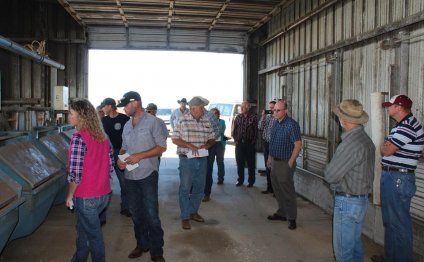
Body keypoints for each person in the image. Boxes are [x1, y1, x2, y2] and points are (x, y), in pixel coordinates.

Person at [116, 91, 167, 262]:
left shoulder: (154, 122)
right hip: (130, 176)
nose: (124, 108)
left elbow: (161, 147)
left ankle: (157, 251)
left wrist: (140, 156)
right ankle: (141, 244)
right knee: (136, 214)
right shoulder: (127, 125)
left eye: (126, 105)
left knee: (152, 214)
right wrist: (121, 159)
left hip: (147, 175)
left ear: (136, 103)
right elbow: (123, 147)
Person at [324, 99, 375, 261]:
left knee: (343, 253)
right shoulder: (366, 139)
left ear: (343, 120)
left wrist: (334, 180)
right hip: (360, 200)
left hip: (347, 202)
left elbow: (330, 175)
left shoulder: (350, 144)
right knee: (354, 247)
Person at [65, 98, 114, 262]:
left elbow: (75, 174)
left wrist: (70, 195)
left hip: (87, 197)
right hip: (103, 194)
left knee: (94, 237)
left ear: (81, 117)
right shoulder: (103, 137)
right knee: (84, 230)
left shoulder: (79, 138)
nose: (68, 117)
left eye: (71, 114)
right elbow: (111, 166)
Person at [380, 95, 424, 262]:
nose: (388, 108)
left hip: (397, 178)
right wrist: (388, 144)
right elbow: (387, 147)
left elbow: (386, 150)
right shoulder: (402, 126)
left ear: (398, 107)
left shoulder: (407, 127)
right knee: (391, 224)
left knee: (398, 225)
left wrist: (387, 145)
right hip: (395, 176)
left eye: (390, 105)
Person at [171, 96, 215, 230]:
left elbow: (212, 138)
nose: (203, 110)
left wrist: (207, 145)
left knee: (199, 188)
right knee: (185, 188)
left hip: (202, 159)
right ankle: (185, 216)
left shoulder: (206, 120)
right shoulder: (183, 120)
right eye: (202, 108)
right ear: (194, 108)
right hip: (187, 160)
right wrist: (190, 145)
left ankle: (193, 212)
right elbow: (174, 139)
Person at [266, 100, 302, 230]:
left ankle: (292, 218)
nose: (275, 113)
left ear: (285, 111)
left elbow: (298, 145)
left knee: (287, 192)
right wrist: (270, 158)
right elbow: (272, 142)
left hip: (285, 164)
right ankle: (282, 213)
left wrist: (290, 163)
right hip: (275, 162)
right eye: (274, 110)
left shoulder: (291, 125)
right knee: (277, 190)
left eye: (278, 110)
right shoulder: (275, 123)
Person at [100, 97, 131, 217]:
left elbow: (130, 136)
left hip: (122, 152)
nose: (103, 108)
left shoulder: (124, 119)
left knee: (124, 181)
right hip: (107, 153)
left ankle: (126, 206)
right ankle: (101, 209)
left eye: (104, 106)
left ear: (110, 106)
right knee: (103, 181)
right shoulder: (103, 121)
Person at [232, 100, 258, 187]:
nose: (242, 108)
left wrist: (253, 142)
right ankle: (240, 180)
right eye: (241, 106)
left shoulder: (253, 117)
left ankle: (251, 181)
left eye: (244, 106)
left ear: (248, 108)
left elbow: (255, 131)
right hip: (239, 143)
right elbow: (234, 129)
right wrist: (235, 140)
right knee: (240, 163)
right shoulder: (238, 117)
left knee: (251, 163)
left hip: (249, 144)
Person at [203, 104, 222, 202]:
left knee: (207, 170)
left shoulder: (210, 116)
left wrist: (209, 143)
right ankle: (195, 191)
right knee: (195, 169)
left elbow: (218, 130)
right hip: (196, 147)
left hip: (209, 147)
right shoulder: (190, 115)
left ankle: (206, 193)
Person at [258, 100, 277, 194]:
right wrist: (263, 116)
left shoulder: (278, 118)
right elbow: (260, 127)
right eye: (270, 108)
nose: (271, 110)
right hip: (266, 143)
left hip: (275, 145)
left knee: (275, 167)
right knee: (267, 165)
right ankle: (269, 187)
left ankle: (276, 190)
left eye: (273, 108)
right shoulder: (268, 117)